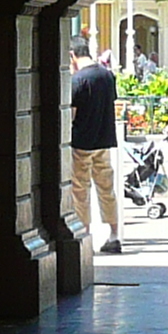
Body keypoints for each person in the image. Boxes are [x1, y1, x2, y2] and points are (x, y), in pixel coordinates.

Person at [67, 40, 125, 256]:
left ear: (72, 55)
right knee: (106, 189)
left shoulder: (78, 79)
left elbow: (72, 113)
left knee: (80, 191)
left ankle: (85, 235)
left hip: (82, 143)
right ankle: (114, 235)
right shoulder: (107, 75)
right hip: (104, 140)